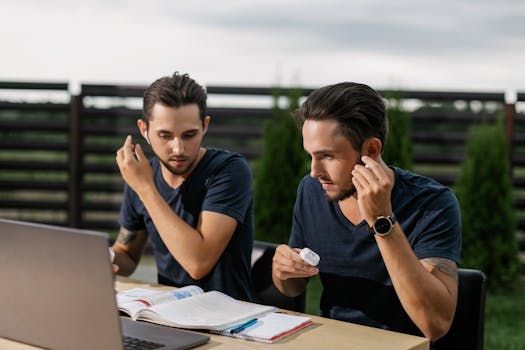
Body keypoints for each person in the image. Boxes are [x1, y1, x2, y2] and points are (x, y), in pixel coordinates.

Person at [272, 82, 461, 341]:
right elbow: (293, 287)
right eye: (311, 155)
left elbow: (435, 324)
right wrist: (282, 271)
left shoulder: (432, 203)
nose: (314, 171)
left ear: (370, 150)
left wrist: (382, 221)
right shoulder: (311, 189)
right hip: (331, 342)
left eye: (327, 156)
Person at [111, 72, 254, 301]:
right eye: (165, 136)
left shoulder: (229, 170)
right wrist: (102, 261)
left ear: (205, 125)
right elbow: (126, 257)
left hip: (228, 318)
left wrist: (145, 188)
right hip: (168, 314)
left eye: (189, 135)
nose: (178, 149)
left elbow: (198, 263)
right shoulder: (143, 177)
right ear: (143, 129)